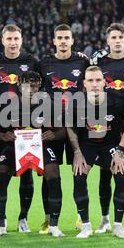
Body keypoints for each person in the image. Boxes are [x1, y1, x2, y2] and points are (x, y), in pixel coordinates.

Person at [0, 71, 66, 238]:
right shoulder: (9, 105)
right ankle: (0, 224)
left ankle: (54, 225)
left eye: (34, 86)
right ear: (18, 86)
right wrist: (3, 136)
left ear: (39, 87)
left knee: (53, 174)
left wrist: (54, 134)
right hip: (15, 146)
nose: (30, 89)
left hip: (41, 146)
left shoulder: (49, 105)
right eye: (27, 86)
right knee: (0, 175)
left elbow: (64, 130)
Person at [0, 24, 41, 232]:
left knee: (27, 174)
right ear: (2, 40)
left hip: (27, 126)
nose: (13, 43)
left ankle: (23, 219)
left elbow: (41, 84)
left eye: (16, 39)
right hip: (1, 124)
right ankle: (1, 222)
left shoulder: (31, 62)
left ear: (21, 40)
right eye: (9, 39)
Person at [66, 65, 124, 239]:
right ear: (84, 84)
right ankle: (86, 226)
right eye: (90, 80)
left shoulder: (118, 99)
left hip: (110, 144)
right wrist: (77, 153)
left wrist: (120, 151)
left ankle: (118, 226)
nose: (95, 84)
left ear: (104, 82)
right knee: (79, 176)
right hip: (87, 145)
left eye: (98, 80)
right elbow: (70, 128)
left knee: (121, 174)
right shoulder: (75, 102)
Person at [87, 22, 124, 235]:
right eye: (113, 38)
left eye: (120, 37)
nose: (117, 41)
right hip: (105, 122)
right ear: (108, 41)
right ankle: (105, 219)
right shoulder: (99, 62)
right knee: (104, 174)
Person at [38, 24, 89, 234]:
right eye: (59, 38)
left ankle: (80, 217)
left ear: (72, 40)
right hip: (53, 125)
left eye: (66, 38)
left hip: (77, 125)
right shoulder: (44, 63)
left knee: (80, 172)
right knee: (49, 173)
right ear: (54, 41)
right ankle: (48, 218)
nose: (63, 41)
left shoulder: (82, 61)